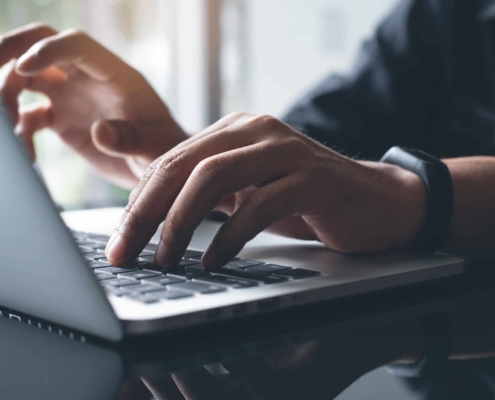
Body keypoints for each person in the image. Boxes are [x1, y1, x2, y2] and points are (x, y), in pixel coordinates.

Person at [1, 0, 495, 269]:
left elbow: (362, 188)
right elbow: (311, 159)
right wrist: (171, 151)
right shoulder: (442, 14)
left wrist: (408, 194)